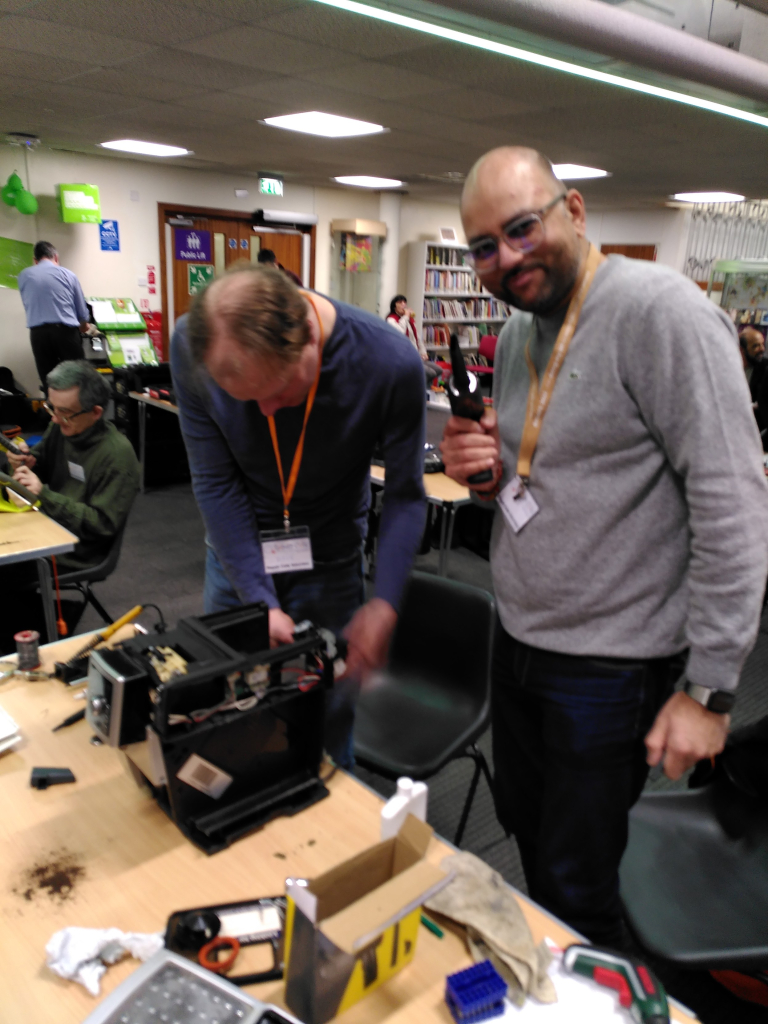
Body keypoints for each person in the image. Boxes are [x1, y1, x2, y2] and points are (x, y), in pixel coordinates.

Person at [440, 146, 768, 948]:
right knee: (528, 835)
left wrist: (713, 691)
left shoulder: (665, 313)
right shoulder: (519, 332)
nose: (506, 257)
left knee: (577, 879)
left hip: (611, 667)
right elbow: (542, 480)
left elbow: (734, 504)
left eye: (522, 228)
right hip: (518, 640)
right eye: (484, 245)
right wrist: (478, 475)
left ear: (575, 211)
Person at [170, 264, 427, 767]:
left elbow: (405, 495)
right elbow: (216, 482)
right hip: (236, 553)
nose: (266, 411)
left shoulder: (389, 363)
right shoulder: (190, 347)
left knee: (325, 722)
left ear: (310, 336)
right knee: (231, 714)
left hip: (330, 560)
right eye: (247, 400)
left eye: (282, 392)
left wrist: (385, 603)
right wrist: (258, 599)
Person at [1, 360, 140, 650]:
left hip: (82, 547)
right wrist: (29, 459)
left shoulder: (118, 456)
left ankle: (28, 639)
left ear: (96, 412)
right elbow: (43, 457)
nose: (53, 419)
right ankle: (26, 623)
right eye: (51, 408)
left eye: (63, 412)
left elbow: (102, 525)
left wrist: (44, 495)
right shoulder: (63, 426)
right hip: (48, 523)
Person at [17, 242, 90, 393]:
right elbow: (81, 311)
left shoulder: (24, 275)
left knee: (48, 381)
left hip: (38, 334)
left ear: (35, 260)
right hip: (65, 332)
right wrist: (84, 325)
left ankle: (54, 413)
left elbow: (29, 303)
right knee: (76, 379)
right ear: (56, 257)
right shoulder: (68, 274)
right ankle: (77, 414)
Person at [386, 295, 439, 383]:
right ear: (394, 306)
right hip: (401, 358)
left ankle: (424, 390)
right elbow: (399, 333)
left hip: (414, 355)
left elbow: (417, 337)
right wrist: (406, 317)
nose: (403, 305)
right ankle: (420, 391)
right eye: (400, 302)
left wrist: (423, 352)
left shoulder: (410, 320)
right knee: (430, 373)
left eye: (404, 302)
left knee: (438, 369)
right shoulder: (391, 319)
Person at [739, 326, 767, 430]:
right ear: (742, 349)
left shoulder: (765, 369)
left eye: (762, 344)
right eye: (755, 346)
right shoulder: (730, 368)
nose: (762, 349)